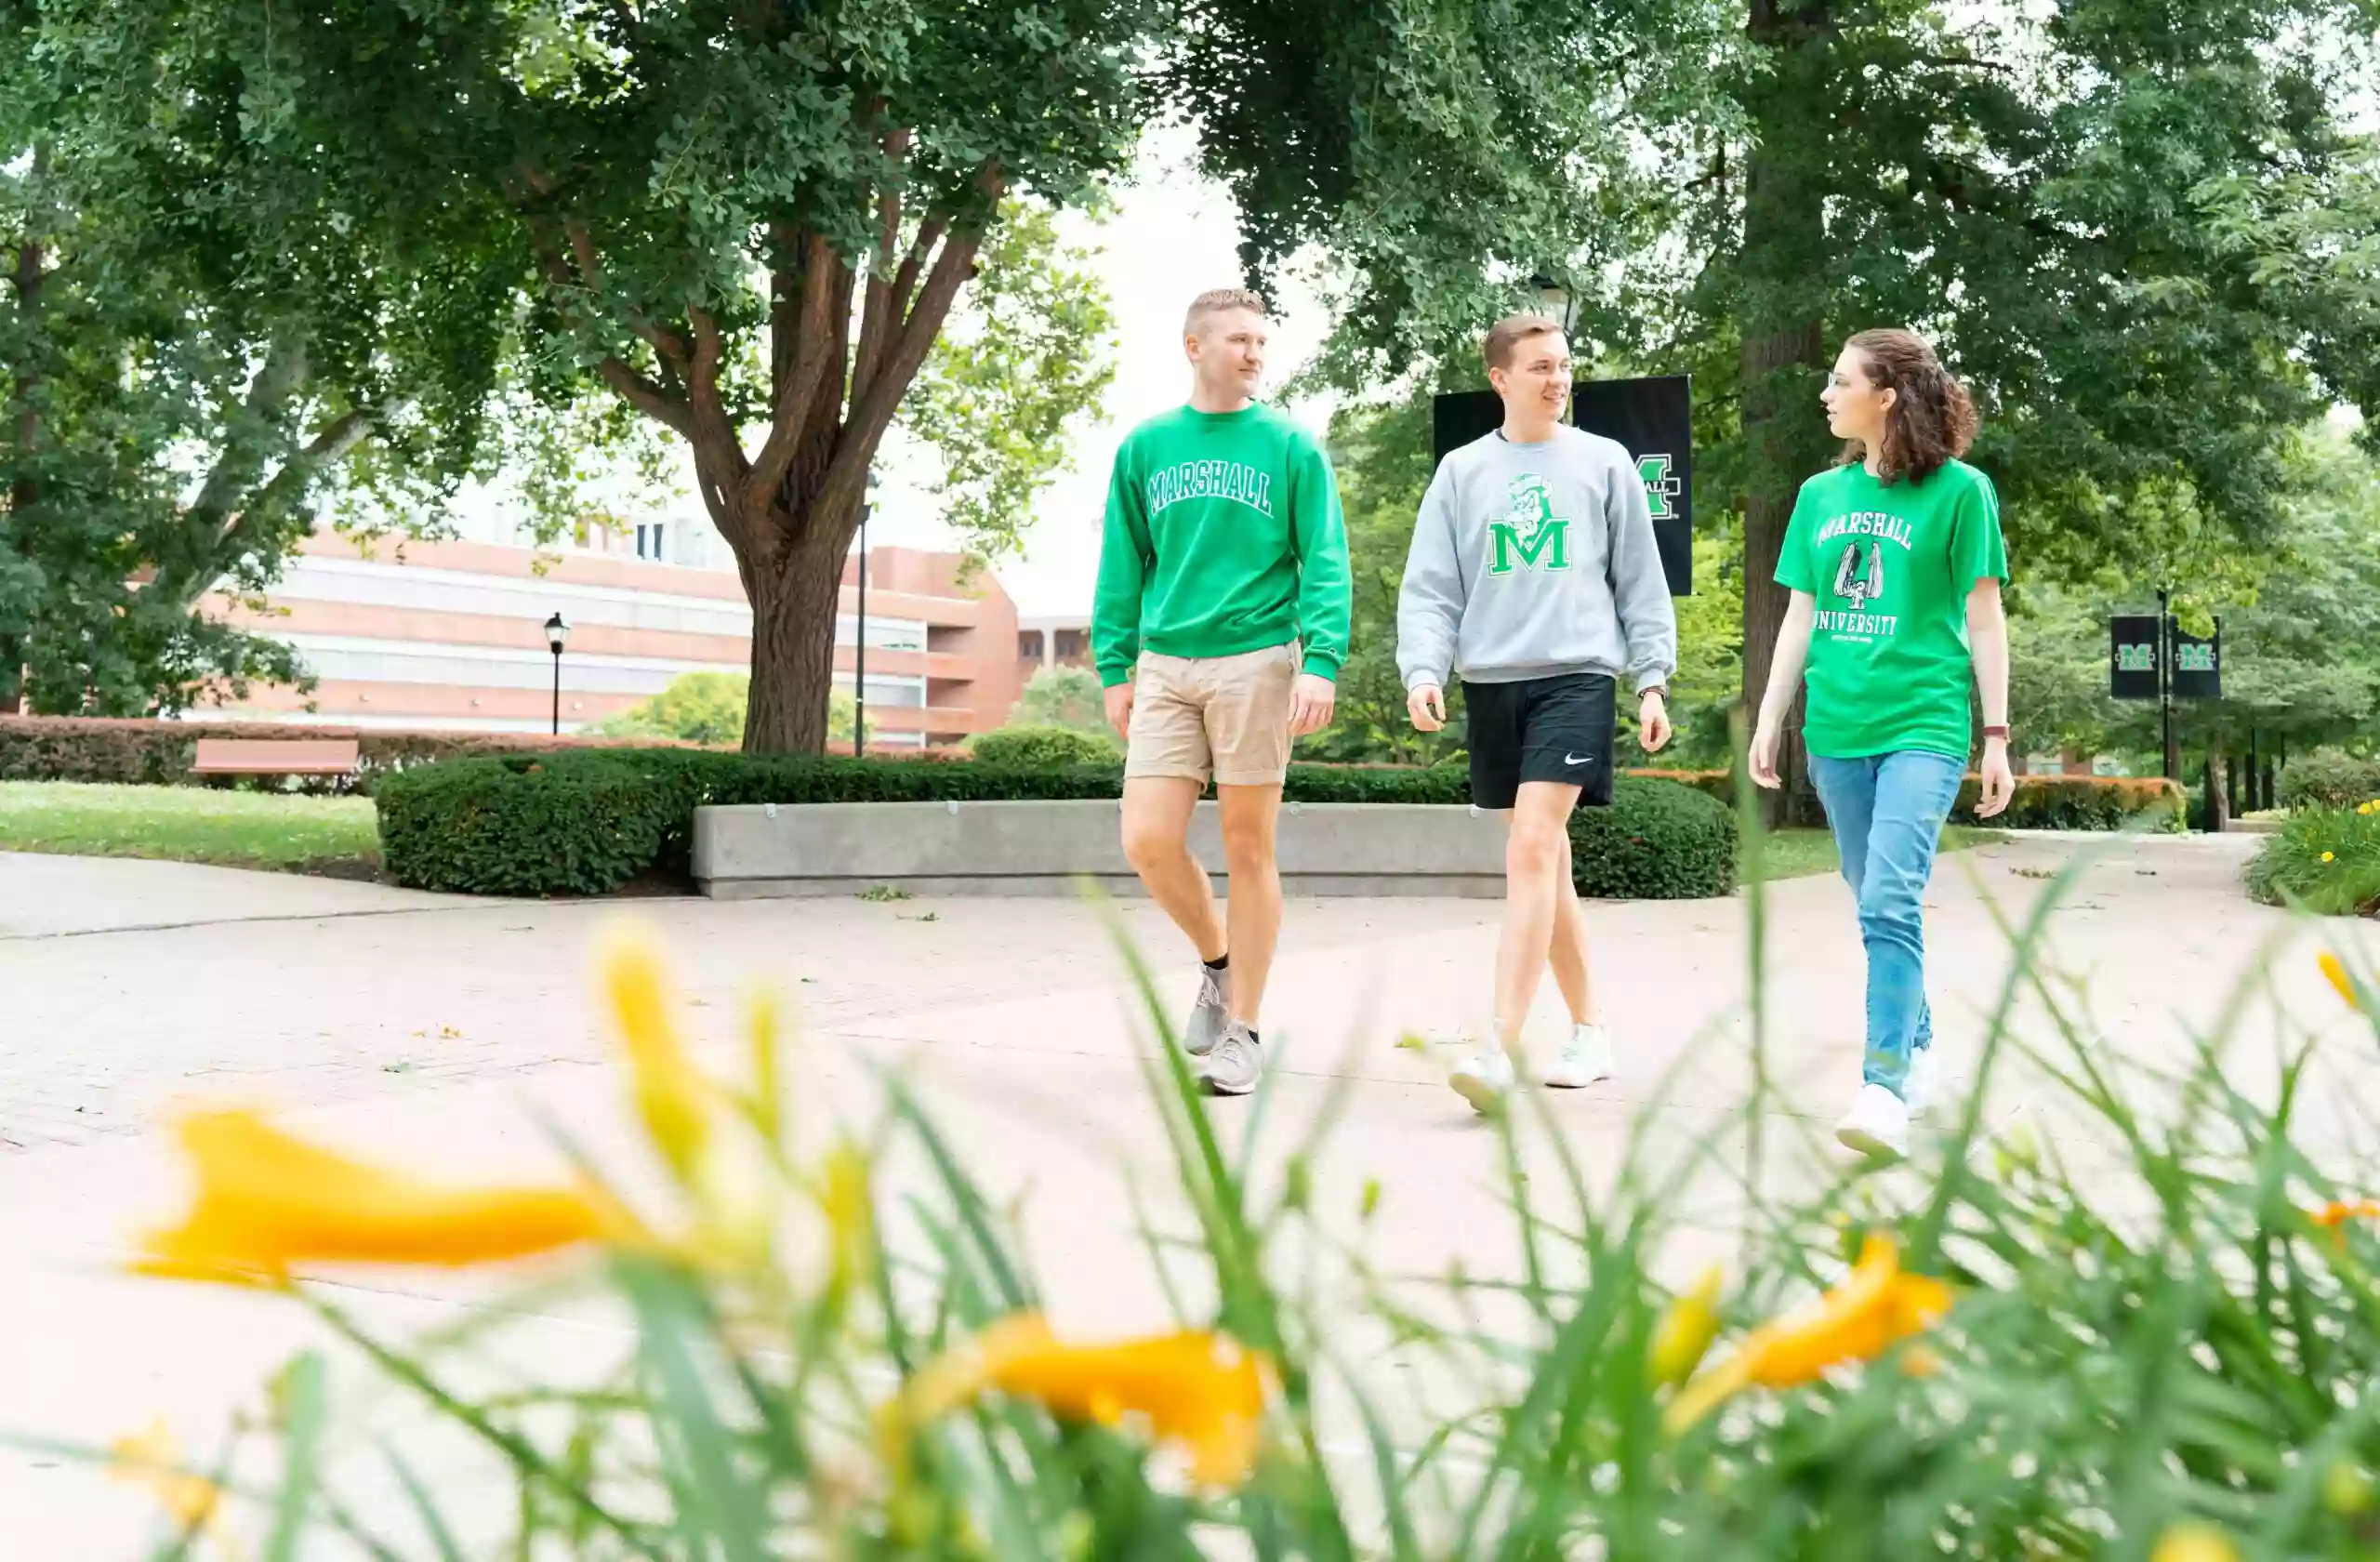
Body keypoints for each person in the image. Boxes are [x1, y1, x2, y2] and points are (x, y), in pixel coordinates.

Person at [1396, 313, 1678, 1114]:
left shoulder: (1604, 462)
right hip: (1492, 682)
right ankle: (1591, 1029)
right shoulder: (1461, 472)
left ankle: (1498, 1045)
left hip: (1578, 676)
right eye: (1541, 367)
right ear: (1500, 378)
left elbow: (1638, 580)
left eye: (1565, 366)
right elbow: (1431, 587)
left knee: (1530, 847)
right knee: (1545, 865)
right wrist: (1424, 668)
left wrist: (1652, 679)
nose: (1559, 380)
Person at [1749, 326, 2015, 1158]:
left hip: (1923, 724)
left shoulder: (1962, 492)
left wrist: (1997, 736)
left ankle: (1882, 1083)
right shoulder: (1818, 497)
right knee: (1873, 899)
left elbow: (1983, 615)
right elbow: (1800, 615)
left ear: (1886, 396)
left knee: (1889, 901)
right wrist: (1769, 719)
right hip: (1835, 728)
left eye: (1840, 381)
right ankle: (1922, 1043)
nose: (1826, 395)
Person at [1091, 287, 1352, 1097]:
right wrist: (1114, 666)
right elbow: (1122, 561)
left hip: (1257, 661)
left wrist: (1322, 659)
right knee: (1147, 839)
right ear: (1193, 347)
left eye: (1261, 343)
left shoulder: (1289, 446)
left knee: (1248, 847)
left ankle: (1244, 1027)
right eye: (1239, 339)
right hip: (1167, 664)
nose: (1254, 354)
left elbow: (1327, 558)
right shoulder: (1147, 447)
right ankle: (1217, 959)